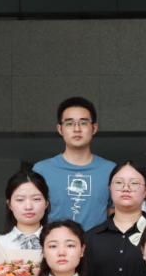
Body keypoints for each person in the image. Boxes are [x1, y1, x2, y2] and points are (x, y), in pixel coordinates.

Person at [33, 97, 116, 231]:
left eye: (83, 123)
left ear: (94, 128)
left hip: (97, 244)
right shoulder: (42, 170)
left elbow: (114, 214)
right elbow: (32, 213)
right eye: (69, 123)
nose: (77, 129)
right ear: (60, 129)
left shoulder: (111, 170)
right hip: (54, 243)